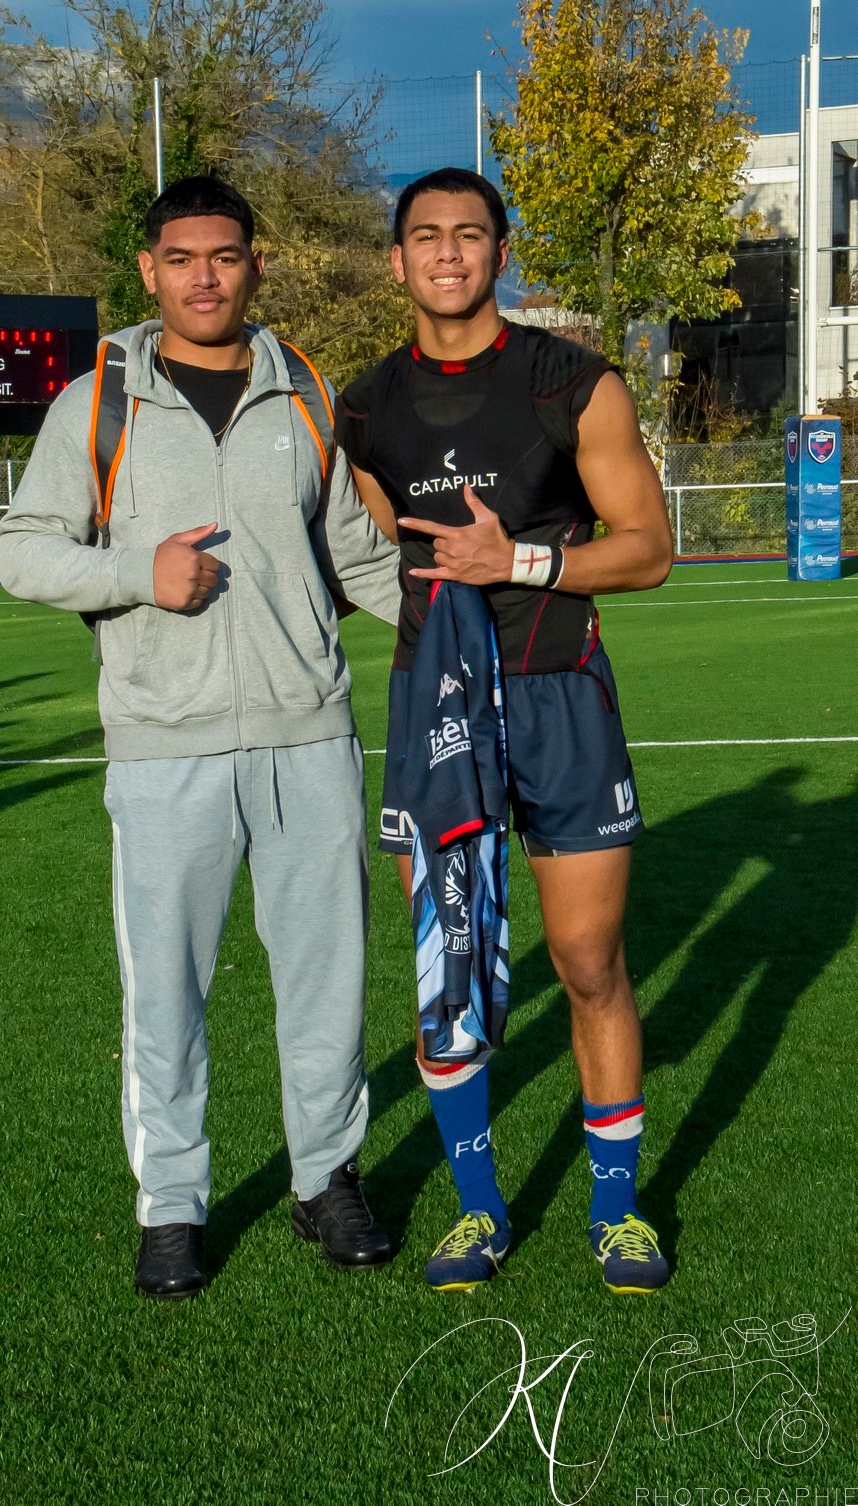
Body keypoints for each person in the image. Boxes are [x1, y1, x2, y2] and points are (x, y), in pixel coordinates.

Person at [0, 175, 400, 1299]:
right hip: (162, 746)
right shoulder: (93, 405)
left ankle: (325, 1182)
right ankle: (171, 1206)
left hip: (306, 738)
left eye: (224, 256)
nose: (204, 277)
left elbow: (360, 561)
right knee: (164, 994)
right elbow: (22, 549)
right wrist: (140, 573)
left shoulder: (306, 393)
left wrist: (475, 624)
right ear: (148, 272)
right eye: (181, 258)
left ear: (254, 264)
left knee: (325, 981)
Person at [335, 167, 674, 1295]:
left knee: (584, 960)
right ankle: (479, 1210)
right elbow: (376, 550)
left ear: (499, 251)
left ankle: (615, 1211)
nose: (446, 253)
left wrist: (519, 560)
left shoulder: (569, 381)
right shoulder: (362, 406)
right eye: (424, 237)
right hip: (435, 708)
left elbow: (647, 547)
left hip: (559, 690)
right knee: (452, 974)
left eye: (468, 235)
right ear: (396, 260)